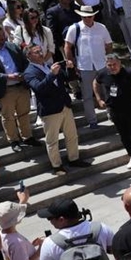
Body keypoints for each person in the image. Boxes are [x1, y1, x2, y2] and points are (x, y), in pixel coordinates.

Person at [24, 44, 85, 174]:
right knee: (52, 140)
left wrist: (70, 69)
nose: (41, 53)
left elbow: (68, 78)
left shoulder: (48, 65)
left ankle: (74, 159)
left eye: (41, 50)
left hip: (65, 106)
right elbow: (39, 88)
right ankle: (57, 166)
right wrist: (51, 74)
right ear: (29, 56)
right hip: (50, 110)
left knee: (72, 135)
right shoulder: (29, 72)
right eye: (36, 52)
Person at [0, 25, 36, 150]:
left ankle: (27, 137)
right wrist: (7, 76)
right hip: (5, 90)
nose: (2, 37)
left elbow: (25, 63)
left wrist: (23, 74)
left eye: (3, 34)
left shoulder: (12, 46)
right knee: (8, 117)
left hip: (21, 86)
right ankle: (13, 140)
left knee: (24, 113)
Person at [64, 5, 113, 127]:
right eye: (84, 17)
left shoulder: (101, 28)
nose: (87, 19)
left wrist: (108, 59)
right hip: (84, 66)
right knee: (87, 95)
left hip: (101, 64)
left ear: (93, 16)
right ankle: (92, 120)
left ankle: (111, 114)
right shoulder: (74, 28)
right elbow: (68, 46)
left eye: (89, 16)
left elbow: (109, 44)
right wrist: (71, 62)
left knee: (106, 91)